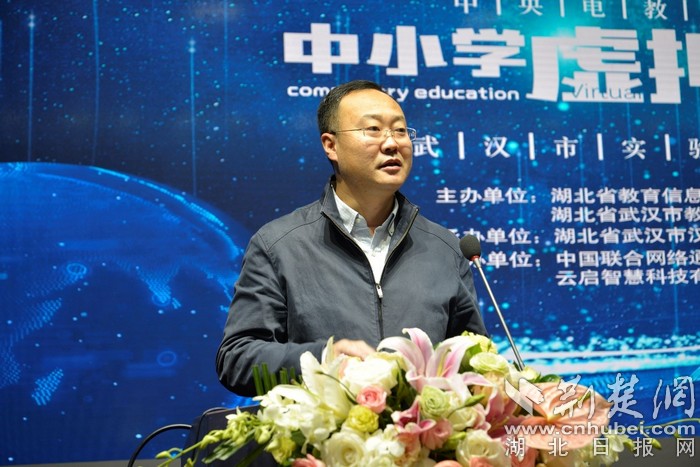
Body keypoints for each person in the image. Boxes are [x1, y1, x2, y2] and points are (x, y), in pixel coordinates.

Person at [216, 80, 487, 396]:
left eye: (400, 131)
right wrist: (324, 359)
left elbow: (474, 360)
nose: (392, 143)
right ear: (330, 145)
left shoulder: (445, 249)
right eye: (373, 129)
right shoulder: (279, 245)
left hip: (425, 427)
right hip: (323, 427)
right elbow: (237, 360)